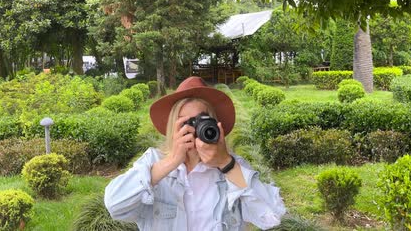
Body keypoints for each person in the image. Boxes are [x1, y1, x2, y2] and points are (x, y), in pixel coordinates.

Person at [104, 76, 286, 230]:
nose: (196, 128)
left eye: (203, 120)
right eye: (187, 122)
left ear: (216, 124)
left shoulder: (232, 167)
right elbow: (115, 205)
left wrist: (226, 164)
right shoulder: (155, 161)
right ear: (174, 128)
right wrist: (172, 161)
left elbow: (272, 217)